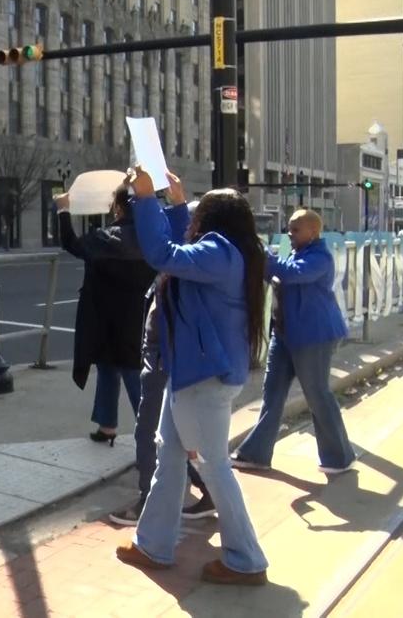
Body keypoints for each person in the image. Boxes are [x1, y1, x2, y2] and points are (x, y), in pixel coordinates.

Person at [115, 170, 269, 586]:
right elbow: (185, 251)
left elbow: (165, 255)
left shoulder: (219, 251)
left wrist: (147, 200)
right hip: (196, 374)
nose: (194, 217)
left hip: (203, 379)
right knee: (169, 456)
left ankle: (247, 559)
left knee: (215, 467)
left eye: (200, 210)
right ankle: (153, 544)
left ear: (215, 220)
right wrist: (178, 203)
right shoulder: (229, 251)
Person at [109, 198, 217, 526]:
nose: (185, 225)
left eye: (190, 221)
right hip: (164, 358)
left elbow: (159, 248)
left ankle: (150, 504)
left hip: (164, 361)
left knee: (150, 435)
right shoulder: (195, 258)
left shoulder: (189, 261)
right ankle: (200, 495)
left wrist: (145, 199)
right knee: (173, 439)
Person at [231, 209, 355, 474]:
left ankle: (339, 457)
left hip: (313, 337)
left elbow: (290, 274)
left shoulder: (319, 257)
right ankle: (256, 454)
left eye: (295, 229)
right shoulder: (298, 252)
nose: (290, 233)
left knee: (317, 394)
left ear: (313, 231)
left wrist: (261, 253)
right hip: (286, 335)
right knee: (272, 394)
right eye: (289, 228)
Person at [55, 183, 158, 445]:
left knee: (111, 370)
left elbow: (71, 243)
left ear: (120, 208)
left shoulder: (105, 239)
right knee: (130, 374)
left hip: (105, 319)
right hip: (139, 320)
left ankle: (125, 430)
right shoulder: (152, 241)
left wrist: (63, 210)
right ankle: (122, 429)